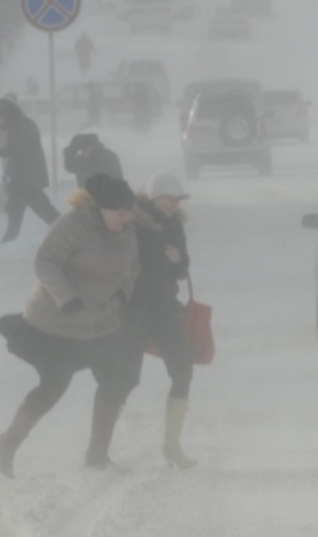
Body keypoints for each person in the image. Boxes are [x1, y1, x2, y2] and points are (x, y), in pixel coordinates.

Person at [0, 174, 141, 477]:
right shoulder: (73, 225)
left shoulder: (127, 231)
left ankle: (97, 456)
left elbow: (132, 266)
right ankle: (8, 443)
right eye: (117, 210)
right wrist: (66, 297)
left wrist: (123, 294)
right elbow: (44, 262)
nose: (123, 217)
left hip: (99, 322)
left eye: (128, 210)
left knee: (118, 379)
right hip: (55, 323)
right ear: (99, 208)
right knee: (54, 384)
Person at [126, 172, 197, 469]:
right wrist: (160, 254)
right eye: (169, 197)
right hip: (133, 308)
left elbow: (182, 268)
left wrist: (177, 260)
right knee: (123, 377)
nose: (174, 203)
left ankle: (172, 446)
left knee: (183, 369)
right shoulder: (133, 223)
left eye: (177, 198)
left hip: (165, 307)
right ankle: (98, 449)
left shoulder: (175, 225)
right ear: (153, 197)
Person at [0, 97, 61, 242]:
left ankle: (71, 233)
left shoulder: (19, 126)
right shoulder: (21, 123)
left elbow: (19, 151)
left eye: (1, 115)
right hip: (26, 177)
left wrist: (2, 152)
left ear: (7, 113)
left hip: (27, 178)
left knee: (43, 211)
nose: (0, 119)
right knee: (34, 210)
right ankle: (6, 243)